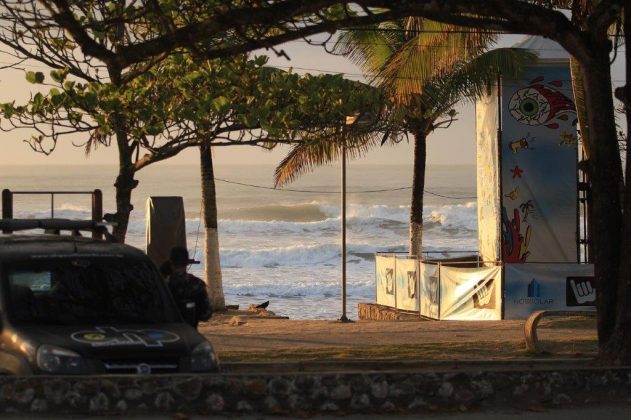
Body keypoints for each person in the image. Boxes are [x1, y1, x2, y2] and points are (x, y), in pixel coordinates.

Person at [165, 246, 212, 327]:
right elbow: (206, 315)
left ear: (171, 263)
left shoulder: (163, 285)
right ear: (187, 263)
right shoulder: (197, 284)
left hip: (169, 335)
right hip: (190, 334)